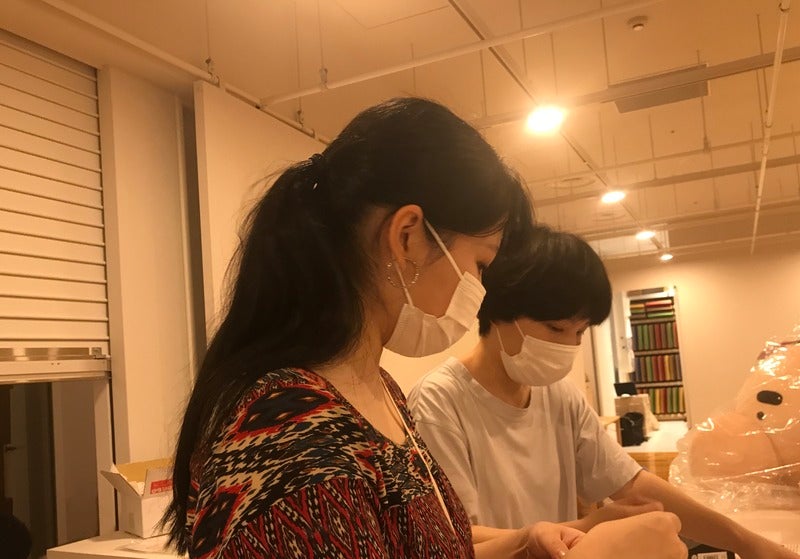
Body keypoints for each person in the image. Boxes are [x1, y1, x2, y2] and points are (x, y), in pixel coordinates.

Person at [165, 98, 686, 559]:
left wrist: (525, 544)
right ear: (409, 237)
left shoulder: (377, 392)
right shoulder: (295, 442)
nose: (480, 289)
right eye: (480, 264)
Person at [408, 224, 800, 559]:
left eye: (580, 332)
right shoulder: (438, 402)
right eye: (557, 329)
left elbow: (633, 483)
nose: (569, 346)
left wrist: (749, 543)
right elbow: (454, 540)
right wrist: (588, 527)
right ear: (497, 312)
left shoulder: (559, 396)